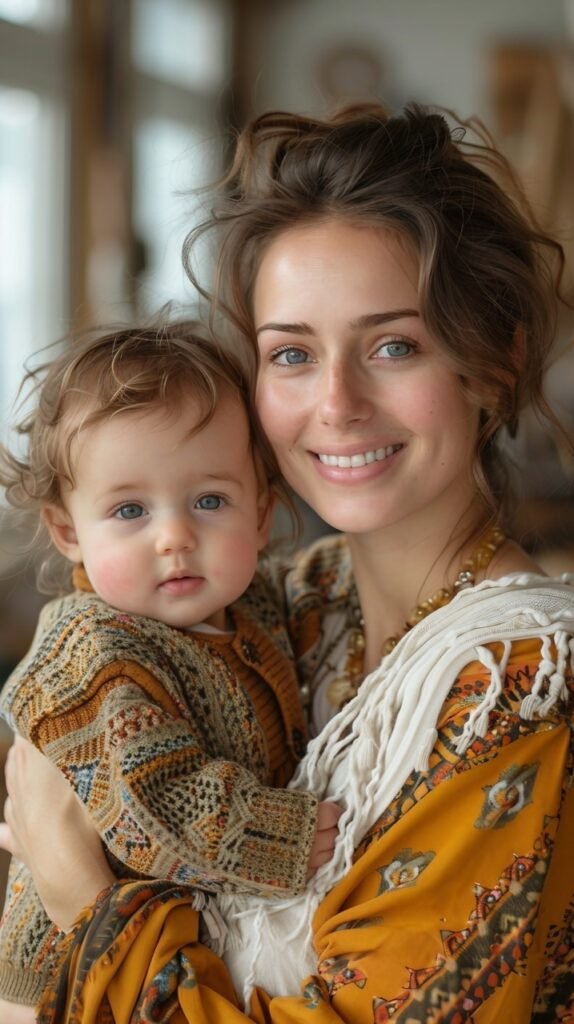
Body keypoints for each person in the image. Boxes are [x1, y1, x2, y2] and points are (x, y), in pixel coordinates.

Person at [2, 101, 574, 1023]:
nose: (337, 403)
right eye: (293, 354)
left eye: (394, 345)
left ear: (494, 365)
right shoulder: (291, 605)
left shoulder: (516, 687)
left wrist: (87, 901)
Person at [0, 321, 342, 1020]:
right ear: (69, 531)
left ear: (261, 510)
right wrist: (287, 835)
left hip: (169, 951)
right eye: (130, 509)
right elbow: (147, 805)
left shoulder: (244, 602)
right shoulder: (94, 650)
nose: (175, 536)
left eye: (210, 501)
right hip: (65, 980)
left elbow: (314, 588)